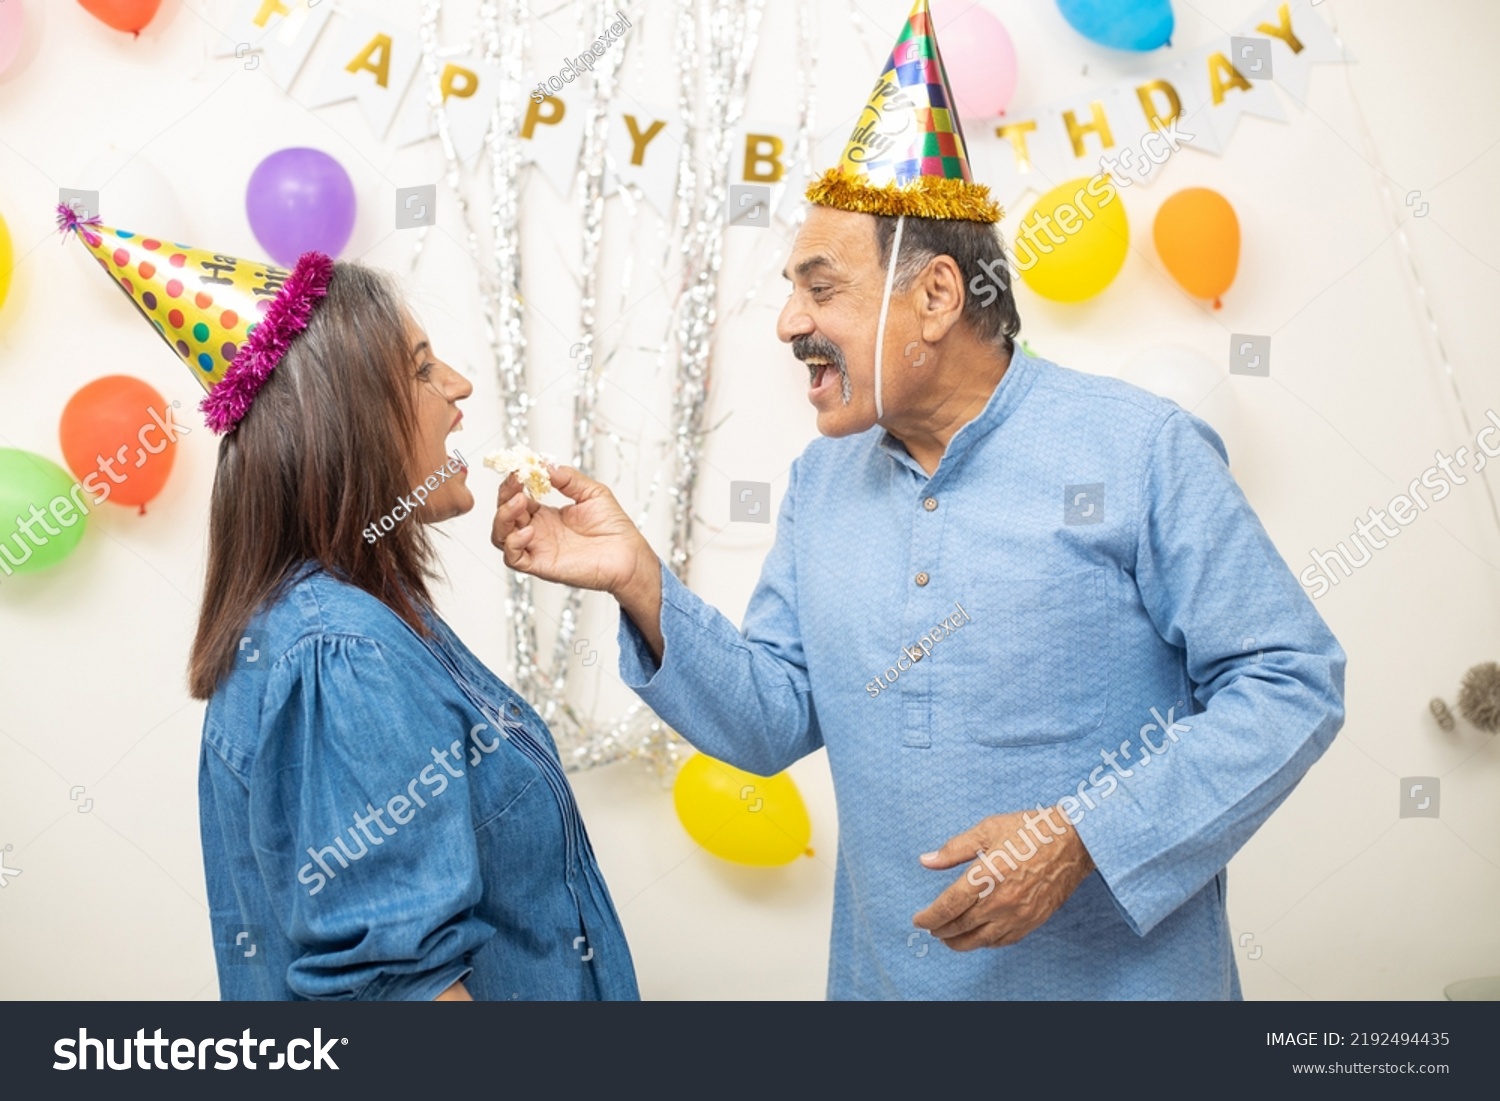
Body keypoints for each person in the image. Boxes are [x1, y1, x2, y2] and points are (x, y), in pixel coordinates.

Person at [491, 0, 1345, 999]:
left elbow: (1290, 680)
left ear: (936, 298)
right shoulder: (822, 485)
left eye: (821, 288)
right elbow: (774, 720)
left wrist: (1086, 836)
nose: (787, 321)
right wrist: (639, 579)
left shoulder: (1139, 447)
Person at [59, 205, 638, 1001]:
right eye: (424, 367)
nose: (459, 386)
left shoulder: (358, 623)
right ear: (352, 419)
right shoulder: (343, 654)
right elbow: (403, 995)